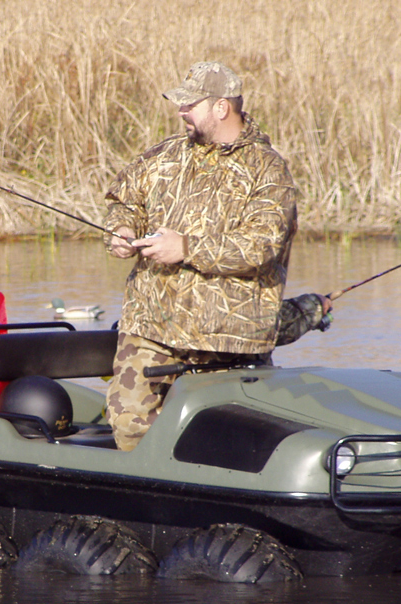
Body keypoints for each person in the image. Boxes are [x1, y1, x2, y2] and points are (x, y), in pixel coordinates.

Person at [104, 61, 330, 451]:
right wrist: (122, 232)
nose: (181, 111)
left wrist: (186, 248)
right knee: (128, 425)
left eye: (190, 104)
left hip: (230, 337)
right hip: (150, 323)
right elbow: (125, 202)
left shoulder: (268, 170)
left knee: (231, 443)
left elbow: (262, 246)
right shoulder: (165, 155)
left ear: (221, 107)